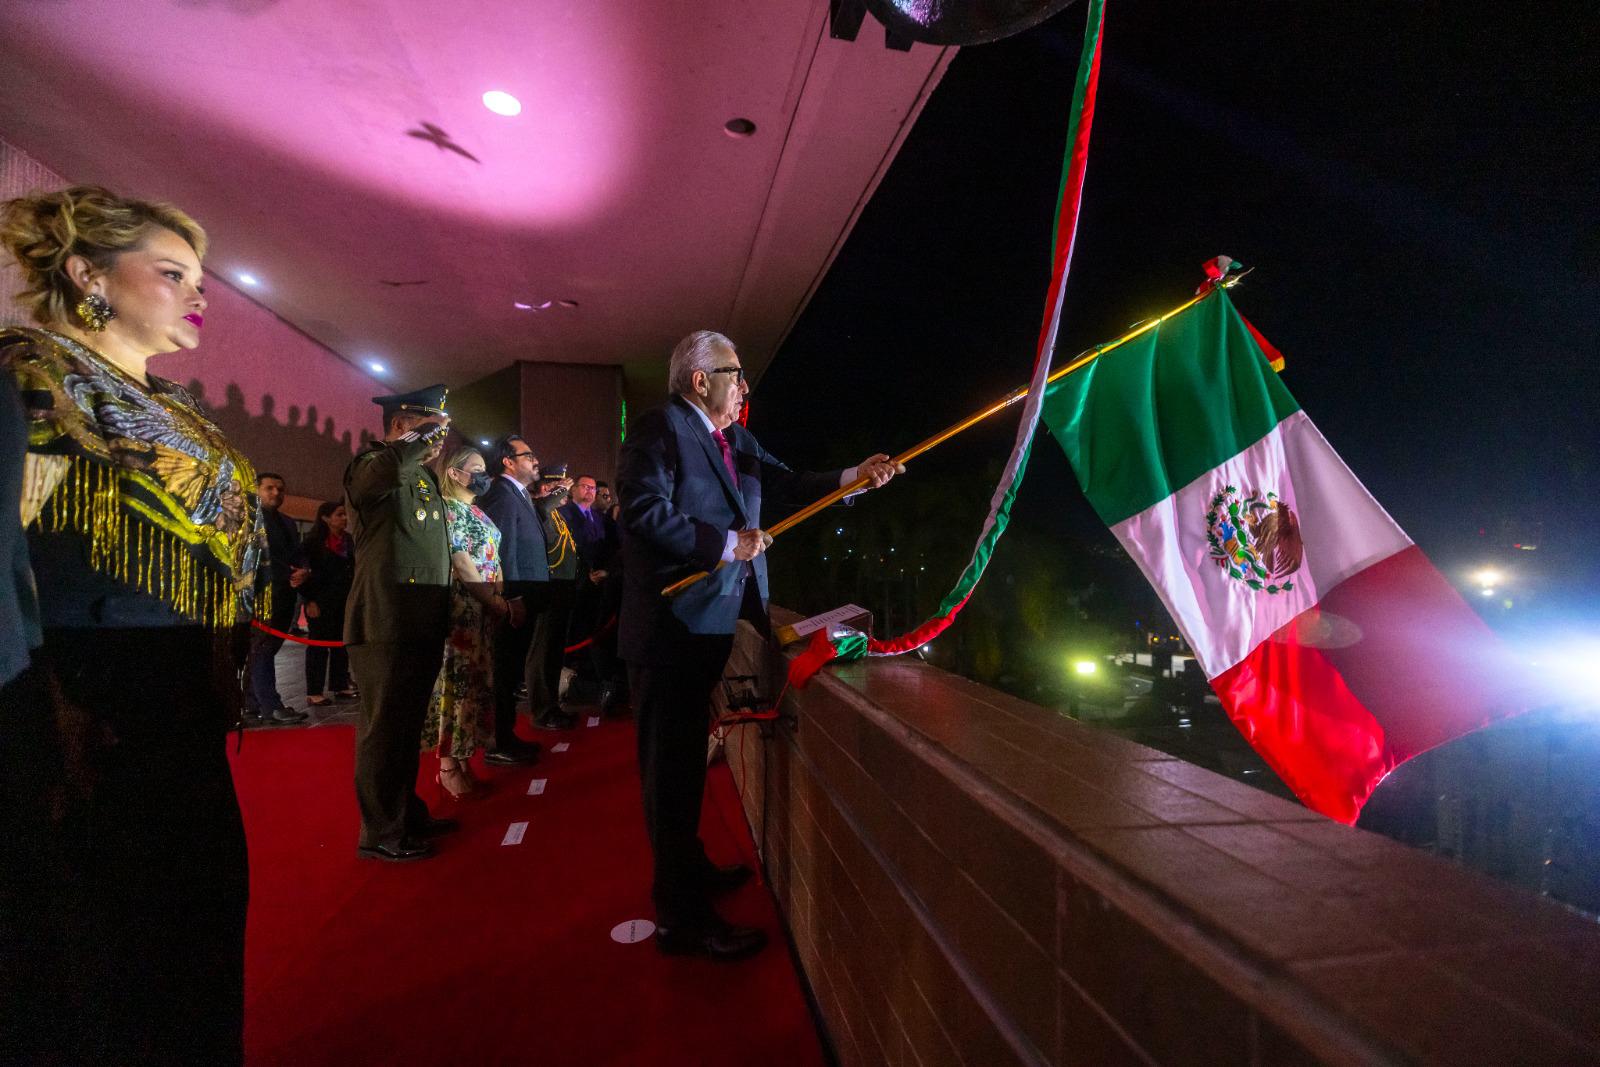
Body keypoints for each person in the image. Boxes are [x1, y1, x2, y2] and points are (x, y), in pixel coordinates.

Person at [0, 185, 263, 1063]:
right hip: (86, 703)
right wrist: (35, 715)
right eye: (172, 273)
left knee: (202, 926)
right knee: (113, 956)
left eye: (201, 279)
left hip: (183, 690)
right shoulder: (34, 379)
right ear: (88, 275)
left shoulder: (174, 403)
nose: (198, 294)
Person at [617, 329, 899, 962]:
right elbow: (641, 511)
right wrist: (725, 545)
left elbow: (791, 484)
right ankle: (680, 918)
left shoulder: (736, 440)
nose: (744, 386)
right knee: (669, 774)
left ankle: (688, 869)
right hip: (670, 628)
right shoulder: (661, 428)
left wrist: (855, 477)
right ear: (700, 381)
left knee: (685, 766)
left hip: (712, 625)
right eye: (735, 373)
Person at [344, 383, 458, 861]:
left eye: (442, 432)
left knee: (408, 726)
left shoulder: (422, 475)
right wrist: (421, 438)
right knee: (384, 728)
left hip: (420, 617)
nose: (440, 441)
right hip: (385, 617)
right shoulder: (371, 464)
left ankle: (405, 813)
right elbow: (387, 471)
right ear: (400, 425)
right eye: (431, 429)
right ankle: (380, 831)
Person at [423, 446, 520, 798]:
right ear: (454, 472)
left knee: (476, 684)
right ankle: (447, 765)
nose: (484, 475)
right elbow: (462, 561)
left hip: (484, 609)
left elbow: (493, 555)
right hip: (462, 608)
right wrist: (493, 599)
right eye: (476, 469)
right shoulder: (448, 508)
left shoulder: (476, 510)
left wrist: (499, 595)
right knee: (457, 684)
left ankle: (463, 759)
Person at [477, 434, 559, 762]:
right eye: (528, 455)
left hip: (527, 595)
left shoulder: (518, 493)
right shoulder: (501, 493)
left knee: (511, 673)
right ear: (508, 462)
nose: (536, 460)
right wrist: (511, 597)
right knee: (504, 671)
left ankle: (507, 736)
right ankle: (499, 742)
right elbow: (500, 549)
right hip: (515, 599)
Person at [246, 470, 310, 724]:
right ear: (256, 490)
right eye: (270, 488)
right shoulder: (248, 520)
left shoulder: (287, 522)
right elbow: (251, 559)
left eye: (280, 489)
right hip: (260, 596)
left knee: (267, 651)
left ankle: (252, 704)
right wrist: (288, 573)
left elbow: (297, 553)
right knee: (261, 650)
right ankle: (270, 705)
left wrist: (303, 571)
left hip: (284, 596)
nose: (276, 493)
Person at [559, 473, 625, 711]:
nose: (589, 491)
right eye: (585, 487)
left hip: (601, 586)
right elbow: (565, 551)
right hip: (574, 584)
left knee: (595, 633)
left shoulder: (601, 519)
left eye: (593, 488)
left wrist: (607, 571)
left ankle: (595, 683)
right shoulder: (563, 515)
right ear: (573, 489)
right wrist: (584, 576)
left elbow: (612, 549)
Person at [300, 499, 356, 707]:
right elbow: (302, 573)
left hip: (344, 600)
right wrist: (309, 600)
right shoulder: (313, 542)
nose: (344, 518)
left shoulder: (348, 540)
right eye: (339, 514)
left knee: (341, 644)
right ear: (325, 518)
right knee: (318, 645)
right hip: (320, 601)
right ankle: (314, 691)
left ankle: (339, 684)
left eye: (344, 514)